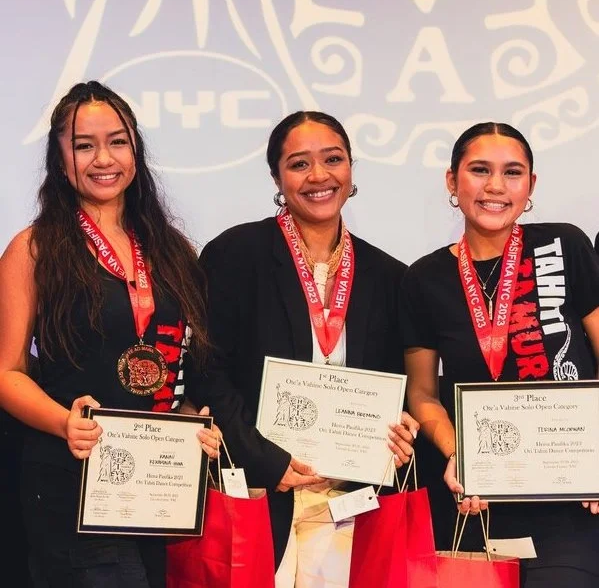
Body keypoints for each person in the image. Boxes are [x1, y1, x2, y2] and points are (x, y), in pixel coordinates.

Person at [187, 111, 419, 587]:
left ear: (352, 169)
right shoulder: (236, 254)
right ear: (276, 176)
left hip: (352, 500)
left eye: (333, 159)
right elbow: (208, 370)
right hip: (259, 490)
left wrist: (402, 427)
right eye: (299, 164)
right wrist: (267, 462)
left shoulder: (389, 275)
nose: (319, 176)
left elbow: (397, 384)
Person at [0, 81, 217, 588]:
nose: (104, 158)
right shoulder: (33, 249)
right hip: (71, 483)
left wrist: (191, 420)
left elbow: (175, 368)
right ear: (60, 158)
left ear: (136, 150)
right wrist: (63, 423)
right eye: (84, 145)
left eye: (118, 141)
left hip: (157, 489)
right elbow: (7, 373)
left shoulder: (172, 249)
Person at [402, 121, 599, 587]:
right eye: (479, 170)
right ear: (453, 182)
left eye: (513, 173)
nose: (495, 186)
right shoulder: (423, 277)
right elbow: (423, 394)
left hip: (568, 494)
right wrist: (460, 456)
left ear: (531, 185)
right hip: (475, 498)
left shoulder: (564, 245)